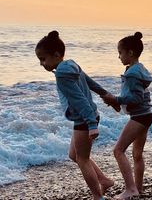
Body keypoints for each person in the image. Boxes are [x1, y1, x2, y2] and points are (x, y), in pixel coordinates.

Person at [35, 31, 114, 200]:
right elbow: (89, 82)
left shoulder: (62, 75)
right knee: (74, 155)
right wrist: (105, 93)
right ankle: (104, 180)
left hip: (84, 119)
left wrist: (92, 124)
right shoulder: (71, 64)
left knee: (82, 159)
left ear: (56, 55)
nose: (41, 63)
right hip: (88, 116)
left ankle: (97, 197)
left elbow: (79, 100)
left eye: (43, 59)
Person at [102, 32, 152, 200]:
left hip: (139, 116)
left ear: (130, 53)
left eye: (120, 52)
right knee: (137, 155)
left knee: (118, 150)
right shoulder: (139, 68)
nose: (119, 56)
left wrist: (116, 99)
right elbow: (136, 95)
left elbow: (136, 98)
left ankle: (130, 189)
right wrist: (119, 103)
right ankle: (138, 189)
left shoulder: (132, 73)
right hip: (146, 114)